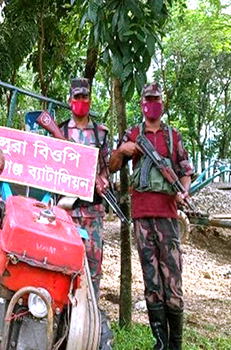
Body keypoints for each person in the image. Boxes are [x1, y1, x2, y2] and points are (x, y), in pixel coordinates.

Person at [109, 82, 194, 350]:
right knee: (151, 281)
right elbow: (112, 165)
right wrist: (123, 150)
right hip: (142, 219)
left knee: (173, 282)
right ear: (143, 103)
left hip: (168, 218)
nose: (152, 103)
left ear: (162, 102)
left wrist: (183, 192)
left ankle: (175, 344)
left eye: (156, 99)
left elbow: (185, 170)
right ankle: (160, 341)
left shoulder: (173, 137)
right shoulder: (133, 133)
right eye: (148, 99)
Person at [58, 78, 113, 347]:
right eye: (77, 96)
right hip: (65, 211)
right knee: (61, 266)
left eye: (85, 97)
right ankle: (60, 325)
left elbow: (106, 169)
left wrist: (102, 180)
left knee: (92, 272)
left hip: (92, 212)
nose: (81, 101)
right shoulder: (58, 130)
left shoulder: (100, 134)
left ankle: (87, 326)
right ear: (70, 99)